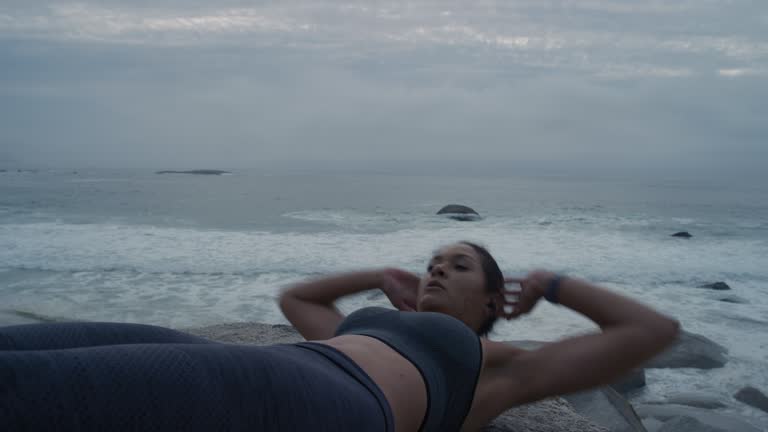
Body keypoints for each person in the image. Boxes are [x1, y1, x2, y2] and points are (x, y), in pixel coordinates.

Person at [0, 241, 679, 431]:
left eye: (458, 265)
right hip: (287, 370)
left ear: (489, 298)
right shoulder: (376, 321)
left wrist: (552, 284)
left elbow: (651, 331)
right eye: (431, 262)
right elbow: (294, 299)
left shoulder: (498, 366)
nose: (437, 268)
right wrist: (381, 278)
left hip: (340, 400)